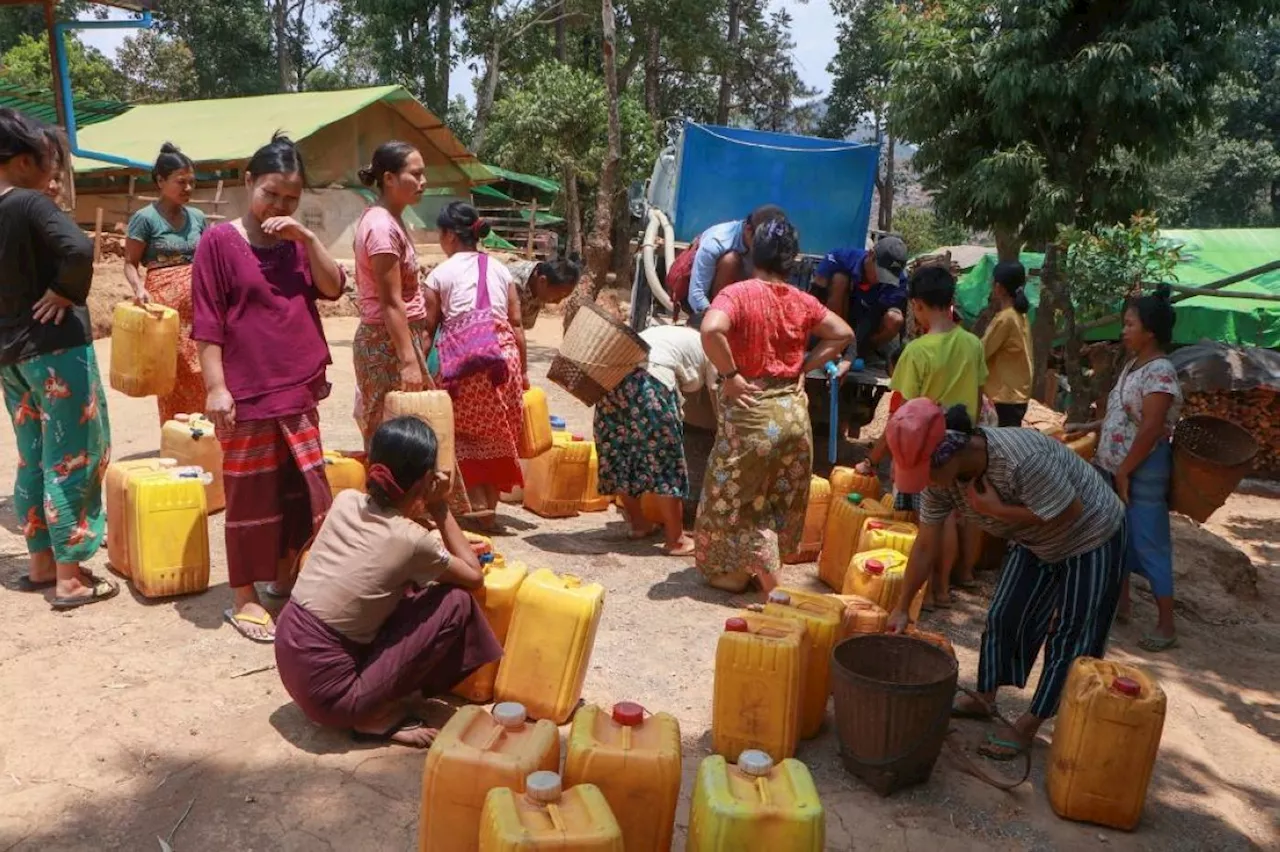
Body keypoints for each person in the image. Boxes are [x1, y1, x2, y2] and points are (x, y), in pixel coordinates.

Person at [884, 399, 1127, 761]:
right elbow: (925, 545)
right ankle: (985, 696)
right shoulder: (939, 481)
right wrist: (902, 607)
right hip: (1033, 537)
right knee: (1004, 615)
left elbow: (1068, 511)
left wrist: (996, 511)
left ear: (951, 453)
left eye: (927, 473)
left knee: (1071, 634)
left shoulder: (1021, 460)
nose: (926, 484)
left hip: (1090, 533)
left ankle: (1030, 722)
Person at [192, 133, 346, 643]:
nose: (278, 207)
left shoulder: (296, 245)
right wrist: (216, 389)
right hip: (248, 390)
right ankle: (244, 595)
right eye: (271, 194)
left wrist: (307, 237)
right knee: (249, 494)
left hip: (297, 385)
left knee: (303, 489)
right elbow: (208, 323)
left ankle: (285, 575)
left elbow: (332, 288)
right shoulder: (218, 242)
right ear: (248, 182)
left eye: (290, 199)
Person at [274, 417, 501, 747]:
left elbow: (377, 547)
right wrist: (439, 507)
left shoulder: (346, 501)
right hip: (334, 699)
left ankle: (371, 693)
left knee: (409, 586)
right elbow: (473, 578)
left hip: (290, 654)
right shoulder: (412, 540)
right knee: (456, 602)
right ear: (426, 480)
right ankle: (372, 718)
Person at [695, 218, 854, 592]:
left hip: (753, 413)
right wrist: (805, 366)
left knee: (733, 500)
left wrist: (731, 374)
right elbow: (843, 334)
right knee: (773, 498)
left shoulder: (738, 294)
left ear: (754, 254)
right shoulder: (802, 300)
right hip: (794, 414)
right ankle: (753, 571)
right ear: (791, 261)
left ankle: (769, 588)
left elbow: (710, 329)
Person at [0, 108, 117, 609]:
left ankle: (42, 564)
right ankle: (71, 577)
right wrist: (64, 292)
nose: (54, 174)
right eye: (50, 162)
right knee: (76, 455)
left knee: (34, 458)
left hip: (11, 358)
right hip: (57, 351)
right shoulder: (29, 204)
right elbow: (78, 249)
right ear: (25, 161)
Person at [859, 264, 987, 606]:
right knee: (953, 516)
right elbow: (979, 392)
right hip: (964, 444)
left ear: (916, 305)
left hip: (925, 447)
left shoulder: (916, 352)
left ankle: (927, 592)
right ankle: (945, 588)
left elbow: (899, 417)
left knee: (931, 520)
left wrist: (873, 459)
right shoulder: (973, 344)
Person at [1073, 285, 1182, 652]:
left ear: (1149, 331)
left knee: (1150, 542)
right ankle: (1121, 604)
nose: (1124, 330)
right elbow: (1123, 416)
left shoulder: (1161, 372)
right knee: (1113, 534)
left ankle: (1166, 624)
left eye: (1130, 324)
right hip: (1115, 464)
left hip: (1143, 470)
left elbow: (1151, 427)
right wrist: (1090, 428)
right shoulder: (1134, 366)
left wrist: (1125, 471)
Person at [424, 201, 524, 525]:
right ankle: (489, 511)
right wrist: (523, 374)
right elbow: (517, 324)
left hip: (465, 363)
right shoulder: (500, 269)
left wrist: (421, 373)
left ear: (450, 236)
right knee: (498, 433)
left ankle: (473, 504)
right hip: (502, 361)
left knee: (462, 434)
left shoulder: (440, 274)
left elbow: (428, 329)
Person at [595, 324, 717, 556]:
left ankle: (639, 525)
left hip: (610, 381)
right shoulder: (710, 344)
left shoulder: (663, 331)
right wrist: (723, 428)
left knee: (621, 453)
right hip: (649, 384)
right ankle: (676, 540)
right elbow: (714, 389)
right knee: (665, 461)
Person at [124, 143, 209, 425]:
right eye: (181, 182)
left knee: (205, 368)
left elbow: (209, 259)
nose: (188, 188)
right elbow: (130, 264)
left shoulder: (197, 217)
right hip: (165, 313)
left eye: (192, 183)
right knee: (173, 372)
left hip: (201, 308)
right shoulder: (145, 219)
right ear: (161, 181)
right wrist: (139, 289)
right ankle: (177, 434)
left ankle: (207, 433)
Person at [351, 141, 429, 445]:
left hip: (396, 341)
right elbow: (391, 301)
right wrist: (407, 360)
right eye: (416, 174)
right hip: (385, 344)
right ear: (389, 178)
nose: (423, 182)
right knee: (391, 438)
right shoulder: (382, 228)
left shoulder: (394, 220)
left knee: (406, 436)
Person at [667, 204, 786, 325]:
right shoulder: (717, 242)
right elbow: (696, 295)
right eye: (761, 241)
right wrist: (715, 319)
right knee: (730, 261)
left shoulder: (773, 245)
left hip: (743, 300)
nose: (766, 247)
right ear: (748, 230)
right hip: (705, 303)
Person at [811, 235, 909, 367]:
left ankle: (866, 351)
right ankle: (832, 340)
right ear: (870, 255)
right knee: (840, 279)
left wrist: (852, 353)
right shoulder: (840, 257)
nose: (882, 279)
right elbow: (814, 298)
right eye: (881, 272)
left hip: (867, 325)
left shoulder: (899, 281)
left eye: (888, 276)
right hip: (839, 317)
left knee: (895, 319)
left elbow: (872, 316)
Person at [982, 261, 1033, 427]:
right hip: (1017, 395)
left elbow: (982, 351)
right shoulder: (1021, 316)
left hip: (1004, 397)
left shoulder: (1006, 318)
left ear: (999, 287)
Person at [506, 253, 583, 330]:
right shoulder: (510, 284)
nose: (557, 302)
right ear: (542, 281)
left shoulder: (539, 280)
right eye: (558, 296)